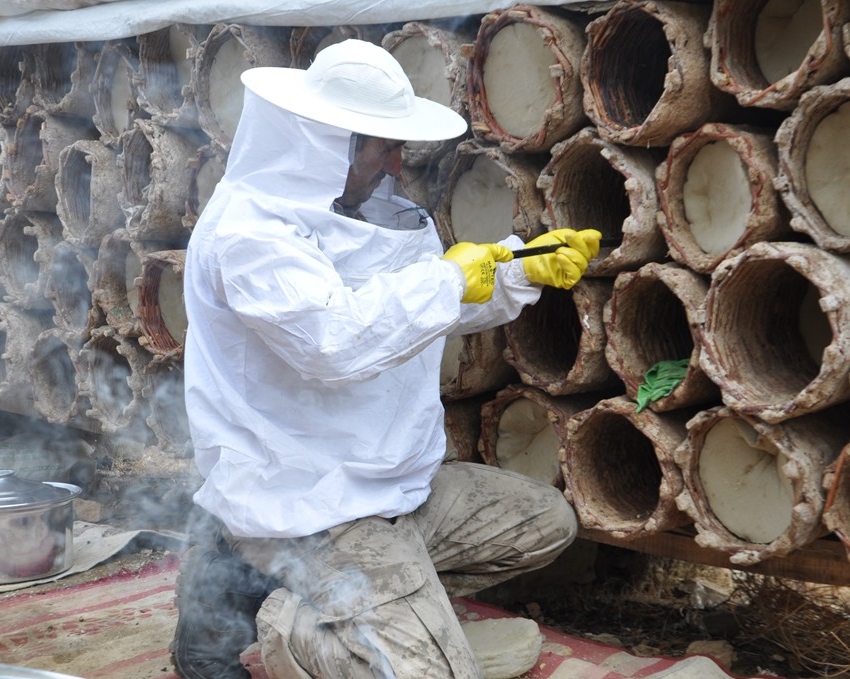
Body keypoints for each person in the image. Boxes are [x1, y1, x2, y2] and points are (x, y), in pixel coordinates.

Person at [170, 38, 602, 679]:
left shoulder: (357, 210)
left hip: (386, 486)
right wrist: (451, 281)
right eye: (383, 147)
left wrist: (516, 271)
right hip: (306, 500)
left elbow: (403, 313)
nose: (398, 167)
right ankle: (293, 616)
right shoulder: (249, 236)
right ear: (328, 142)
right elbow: (334, 343)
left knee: (544, 523)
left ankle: (332, 595)